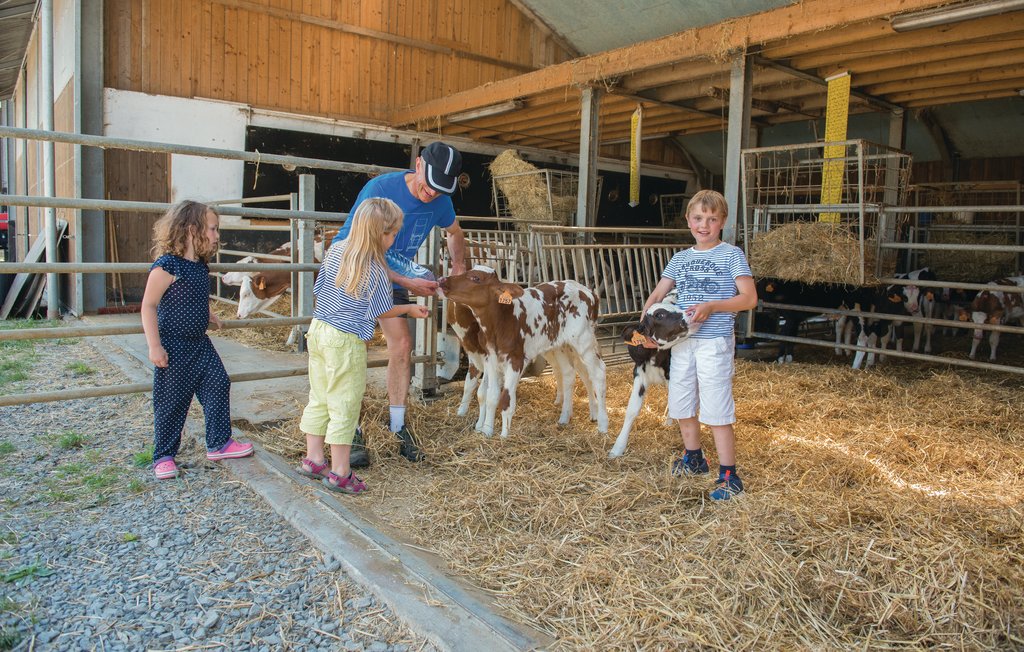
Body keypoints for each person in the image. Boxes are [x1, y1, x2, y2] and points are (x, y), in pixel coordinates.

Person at [331, 141, 467, 466]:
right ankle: (349, 427)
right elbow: (360, 248)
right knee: (352, 347)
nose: (431, 194)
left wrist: (459, 266)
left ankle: (397, 427)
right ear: (418, 165)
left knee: (403, 345)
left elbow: (454, 231)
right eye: (428, 185)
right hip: (356, 270)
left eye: (439, 190)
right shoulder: (381, 189)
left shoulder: (441, 201)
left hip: (395, 275)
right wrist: (408, 281)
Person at [297, 198, 431, 493]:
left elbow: (319, 289)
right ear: (381, 234)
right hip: (345, 341)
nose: (394, 239)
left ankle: (314, 459)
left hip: (319, 331)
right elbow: (382, 311)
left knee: (319, 396)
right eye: (393, 233)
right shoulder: (376, 268)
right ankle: (341, 471)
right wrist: (409, 310)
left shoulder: (335, 251)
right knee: (345, 403)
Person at [641, 190, 757, 501]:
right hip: (682, 342)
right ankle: (694, 458)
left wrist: (713, 306)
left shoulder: (731, 254)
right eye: (698, 218)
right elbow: (657, 295)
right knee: (681, 401)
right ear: (688, 221)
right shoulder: (680, 259)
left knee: (716, 406)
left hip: (714, 342)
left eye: (711, 219)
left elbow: (749, 298)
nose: (703, 224)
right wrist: (646, 326)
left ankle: (729, 475)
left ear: (722, 222)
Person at [141, 200, 254, 480]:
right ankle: (164, 455)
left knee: (218, 382)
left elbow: (196, 295)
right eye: (213, 229)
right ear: (192, 229)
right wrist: (155, 345)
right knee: (172, 401)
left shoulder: (200, 266)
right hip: (173, 345)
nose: (217, 236)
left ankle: (219, 443)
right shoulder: (168, 265)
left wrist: (208, 312)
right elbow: (149, 305)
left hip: (199, 342)